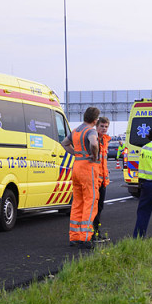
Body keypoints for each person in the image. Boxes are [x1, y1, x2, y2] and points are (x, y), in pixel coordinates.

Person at [61, 106, 100, 249]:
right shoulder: (90, 130)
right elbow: (94, 143)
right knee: (90, 201)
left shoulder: (76, 131)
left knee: (77, 201)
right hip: (88, 168)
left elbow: (64, 143)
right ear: (95, 120)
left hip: (76, 166)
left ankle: (74, 236)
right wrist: (93, 156)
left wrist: (77, 153)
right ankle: (85, 237)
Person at [92, 117, 111, 241]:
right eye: (102, 126)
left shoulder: (105, 140)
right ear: (96, 126)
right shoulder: (93, 139)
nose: (104, 129)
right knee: (94, 208)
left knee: (100, 207)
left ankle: (97, 231)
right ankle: (92, 233)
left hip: (103, 180)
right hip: (94, 180)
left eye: (106, 126)